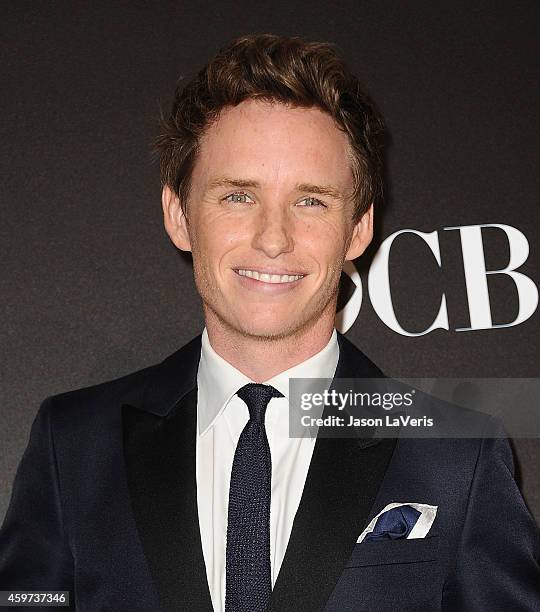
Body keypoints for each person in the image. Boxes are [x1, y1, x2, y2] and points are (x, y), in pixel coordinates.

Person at [0, 34, 538, 612]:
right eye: (237, 196)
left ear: (357, 229)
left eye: (311, 201)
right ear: (179, 216)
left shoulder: (456, 452)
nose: (273, 238)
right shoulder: (75, 441)